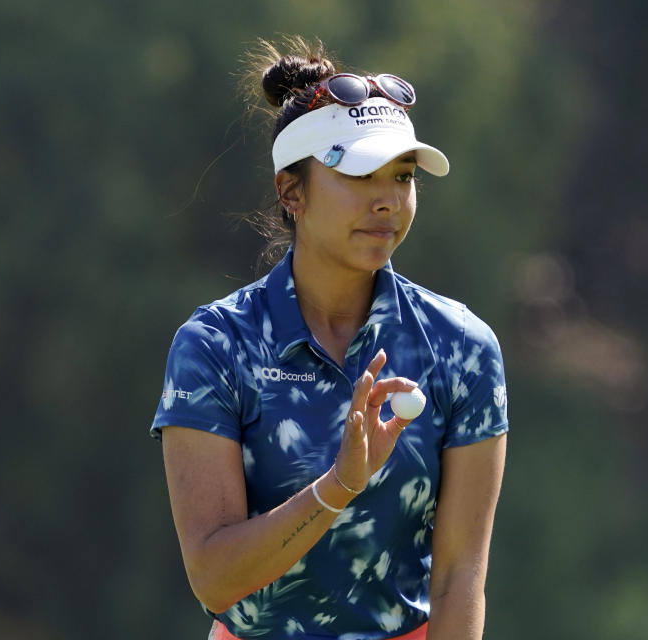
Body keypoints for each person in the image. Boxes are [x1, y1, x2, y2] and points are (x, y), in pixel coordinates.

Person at [151, 37, 508, 640]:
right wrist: (340, 483)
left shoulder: (463, 347)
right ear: (292, 193)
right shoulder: (214, 346)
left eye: (402, 176)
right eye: (361, 174)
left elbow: (459, 578)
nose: (389, 200)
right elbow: (214, 578)